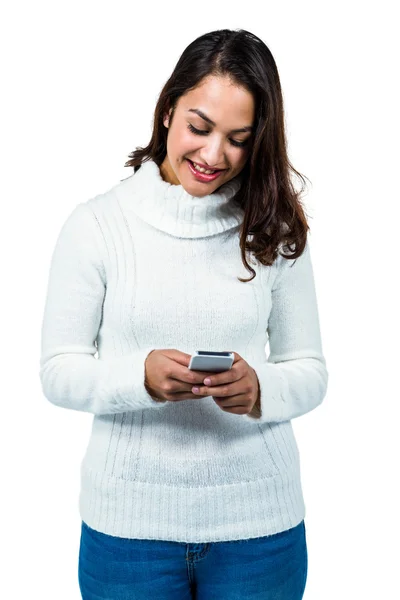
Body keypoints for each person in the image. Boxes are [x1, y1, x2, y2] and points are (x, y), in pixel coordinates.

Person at [39, 28, 328, 600]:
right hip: (128, 534)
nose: (213, 155)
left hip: (259, 532)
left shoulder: (274, 230)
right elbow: (57, 371)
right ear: (169, 108)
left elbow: (310, 370)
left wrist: (260, 387)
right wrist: (139, 377)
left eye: (239, 139)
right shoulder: (97, 226)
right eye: (199, 127)